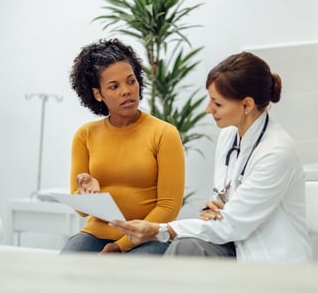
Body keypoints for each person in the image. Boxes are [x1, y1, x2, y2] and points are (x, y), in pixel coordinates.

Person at [110, 51, 313, 263]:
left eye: (217, 104)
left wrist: (160, 229)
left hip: (271, 260)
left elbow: (231, 224)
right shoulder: (229, 136)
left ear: (247, 105)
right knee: (185, 246)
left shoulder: (277, 153)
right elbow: (218, 205)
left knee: (184, 248)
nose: (208, 109)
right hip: (234, 245)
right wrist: (214, 208)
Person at [61, 38, 185, 254]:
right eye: (114, 86)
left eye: (131, 81)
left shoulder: (164, 133)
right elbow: (81, 210)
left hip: (148, 237)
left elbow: (168, 207)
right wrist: (85, 192)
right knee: (67, 270)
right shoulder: (85, 135)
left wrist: (121, 246)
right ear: (98, 94)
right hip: (95, 234)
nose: (127, 90)